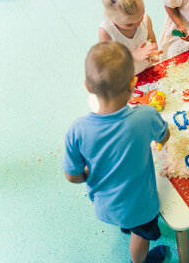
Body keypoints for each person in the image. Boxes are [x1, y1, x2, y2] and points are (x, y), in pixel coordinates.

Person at [63, 41, 171, 263]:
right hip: (140, 206)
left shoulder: (77, 129)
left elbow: (72, 176)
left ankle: (126, 226)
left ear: (88, 86)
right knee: (142, 234)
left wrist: (88, 170)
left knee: (130, 222)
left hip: (104, 205)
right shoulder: (146, 116)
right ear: (133, 84)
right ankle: (138, 261)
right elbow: (165, 136)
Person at [98, 0, 162, 75]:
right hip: (124, 79)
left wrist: (152, 51)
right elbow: (108, 63)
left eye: (140, 17)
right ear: (110, 16)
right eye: (129, 24)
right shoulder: (106, 32)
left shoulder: (146, 19)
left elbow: (152, 41)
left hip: (146, 71)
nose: (137, 25)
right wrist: (133, 57)